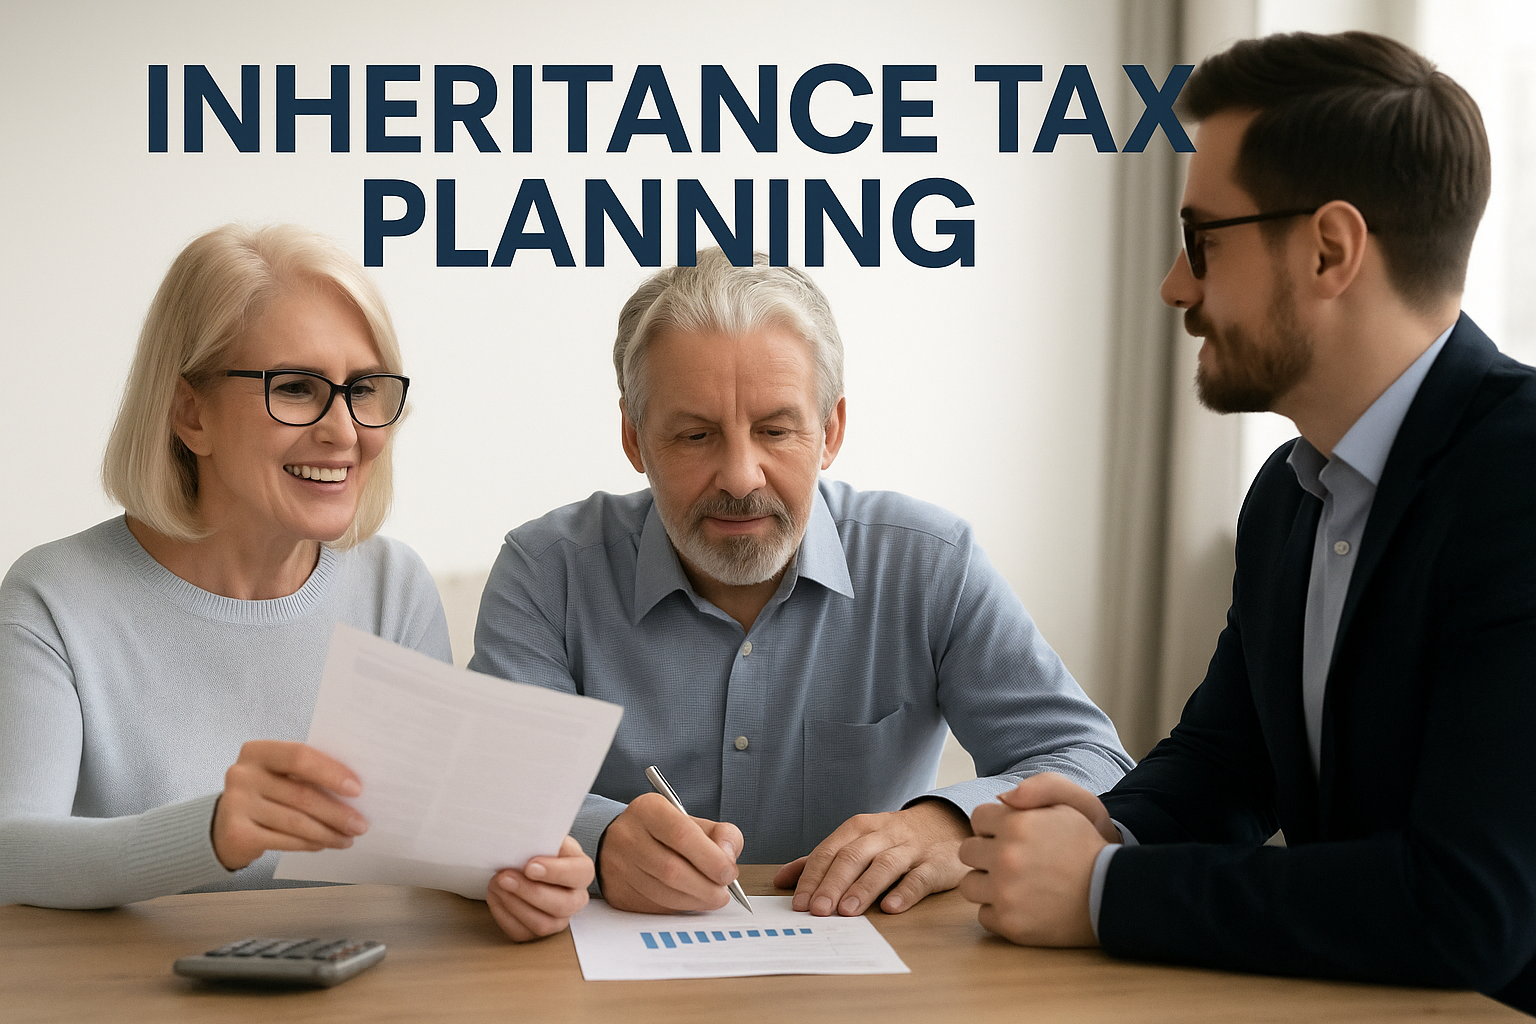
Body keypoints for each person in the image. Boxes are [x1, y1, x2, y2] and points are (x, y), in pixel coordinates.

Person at [957, 30, 1536, 1012]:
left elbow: (1465, 905)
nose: (1175, 287)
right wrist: (1103, 828)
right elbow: (1230, 763)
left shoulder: (1520, 478)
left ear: (1329, 249)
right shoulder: (1289, 492)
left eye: (1202, 240)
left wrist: (1102, 892)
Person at [470, 248, 1133, 919]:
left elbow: (1094, 761)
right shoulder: (544, 571)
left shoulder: (930, 563)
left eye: (775, 430)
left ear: (830, 432)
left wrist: (947, 823)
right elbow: (487, 788)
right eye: (696, 435)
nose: (740, 477)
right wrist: (605, 840)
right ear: (636, 440)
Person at [0, 224, 590, 943]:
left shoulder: (393, 589)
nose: (345, 432)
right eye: (299, 388)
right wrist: (210, 832)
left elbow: (431, 846)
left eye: (364, 390)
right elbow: (10, 853)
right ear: (191, 413)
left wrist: (516, 879)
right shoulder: (54, 599)